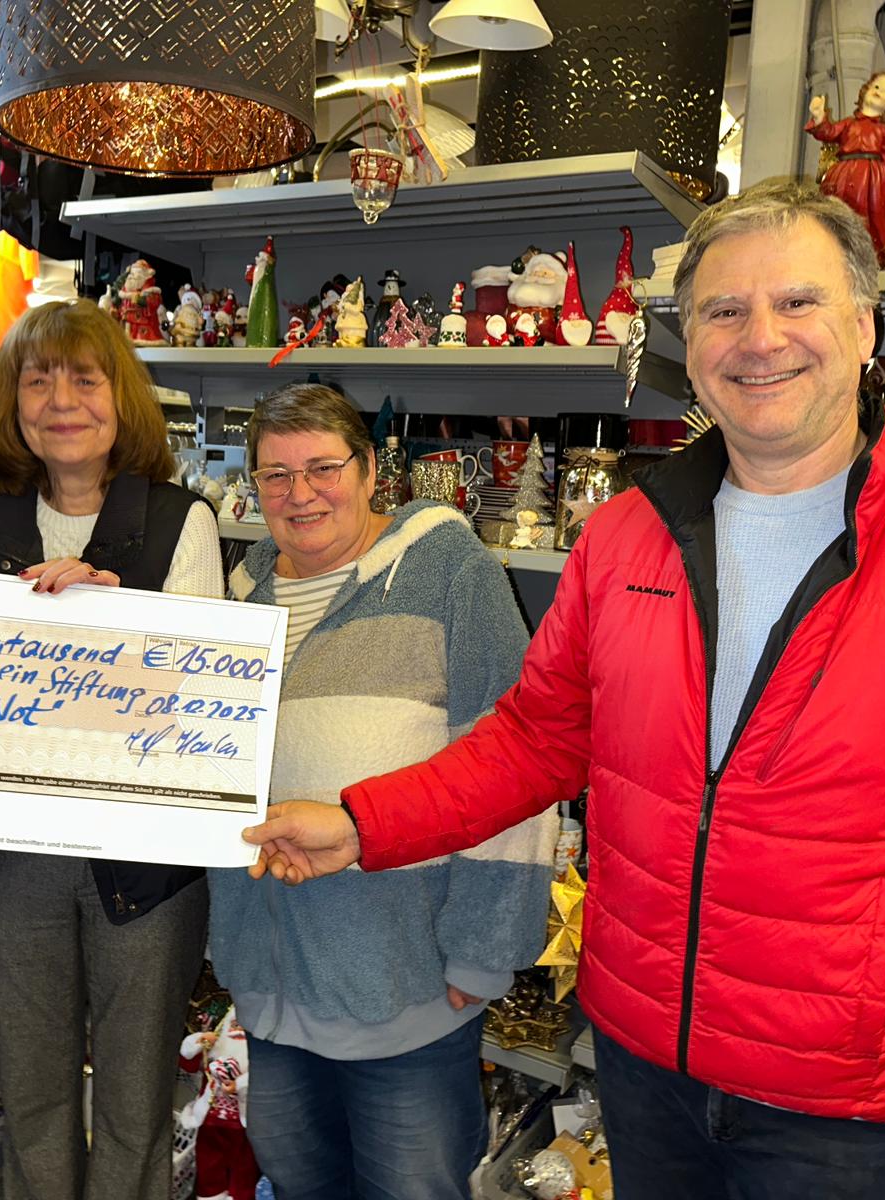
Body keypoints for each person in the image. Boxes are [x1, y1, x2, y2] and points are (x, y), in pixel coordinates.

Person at [242, 180, 885, 1200]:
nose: (760, 338)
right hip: (642, 1066)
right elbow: (534, 739)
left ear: (861, 326)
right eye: (724, 310)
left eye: (795, 302)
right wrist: (362, 824)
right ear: (692, 343)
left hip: (837, 1102)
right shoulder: (626, 533)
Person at [209, 383, 557, 1199]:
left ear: (370, 472)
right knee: (298, 1182)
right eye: (274, 475)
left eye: (323, 468)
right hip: (270, 984)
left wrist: (483, 952)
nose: (300, 494)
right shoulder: (240, 595)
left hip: (406, 986)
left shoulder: (451, 574)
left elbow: (516, 772)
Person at [0, 299, 221, 1200]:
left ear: (121, 397)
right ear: (11, 404)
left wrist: (109, 621)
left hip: (142, 860)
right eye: (38, 380)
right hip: (9, 853)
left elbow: (194, 703)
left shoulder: (183, 521)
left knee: (136, 1102)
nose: (62, 401)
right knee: (32, 1093)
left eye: (86, 379)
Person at [806, 70, 885, 263]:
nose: (879, 91)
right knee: (839, 211)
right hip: (844, 175)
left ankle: (871, 255)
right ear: (866, 91)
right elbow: (829, 132)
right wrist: (819, 117)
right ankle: (837, 251)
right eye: (876, 86)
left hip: (874, 180)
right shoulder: (849, 123)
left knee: (873, 216)